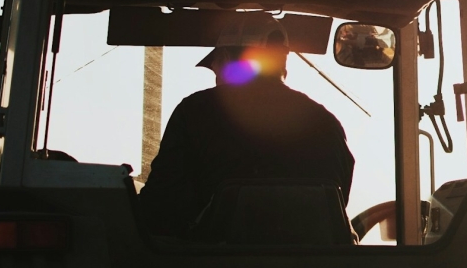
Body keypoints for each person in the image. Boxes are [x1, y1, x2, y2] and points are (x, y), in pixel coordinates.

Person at [137, 16, 354, 237]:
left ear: (224, 57)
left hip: (209, 266)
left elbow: (161, 204)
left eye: (215, 68)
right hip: (314, 267)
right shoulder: (325, 122)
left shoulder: (194, 112)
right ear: (283, 62)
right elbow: (336, 204)